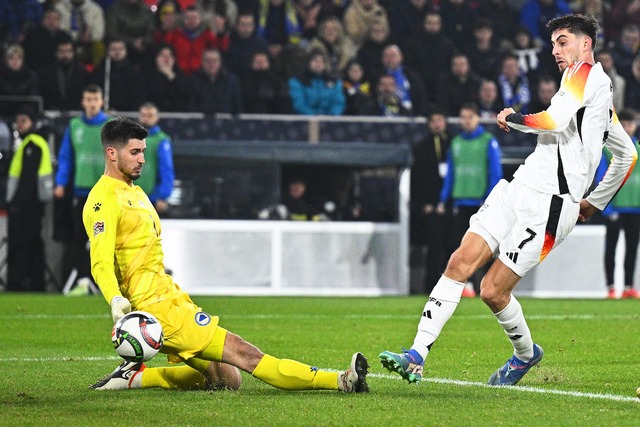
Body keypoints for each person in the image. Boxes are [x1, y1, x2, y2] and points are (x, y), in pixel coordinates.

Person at [379, 14, 637, 387]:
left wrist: (511, 117)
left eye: (563, 42)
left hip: (551, 204)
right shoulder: (594, 97)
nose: (555, 51)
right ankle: (416, 355)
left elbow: (552, 121)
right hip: (519, 187)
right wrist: (595, 202)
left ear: (586, 44)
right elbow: (627, 154)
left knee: (492, 290)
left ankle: (526, 355)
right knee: (460, 260)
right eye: (552, 44)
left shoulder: (586, 76)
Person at [84, 117, 369, 393]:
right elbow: (100, 261)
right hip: (155, 308)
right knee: (245, 354)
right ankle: (341, 381)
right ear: (111, 153)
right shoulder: (102, 200)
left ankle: (135, 379)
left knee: (227, 379)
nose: (142, 159)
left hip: (169, 297)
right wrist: (115, 298)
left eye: (143, 152)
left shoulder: (134, 191)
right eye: (134, 152)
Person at [437, 102, 503, 296]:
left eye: (469, 117)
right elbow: (451, 174)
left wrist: (489, 199)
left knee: (483, 249)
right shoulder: (456, 143)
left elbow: (495, 173)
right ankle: (465, 286)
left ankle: (486, 284)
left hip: (480, 203)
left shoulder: (488, 141)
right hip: (460, 201)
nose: (466, 121)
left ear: (477, 118)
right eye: (463, 117)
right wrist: (443, 199)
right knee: (457, 245)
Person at [54, 84, 110, 292]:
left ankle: (104, 283)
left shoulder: (111, 125)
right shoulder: (75, 125)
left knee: (104, 239)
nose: (92, 104)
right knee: (79, 239)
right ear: (83, 102)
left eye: (95, 99)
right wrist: (61, 182)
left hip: (105, 192)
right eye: (88, 99)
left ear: (101, 101)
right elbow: (66, 157)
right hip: (81, 190)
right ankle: (82, 281)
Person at [5, 109, 53, 292]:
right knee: (34, 246)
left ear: (32, 122)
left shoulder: (32, 144)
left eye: (24, 120)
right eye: (18, 120)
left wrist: (16, 204)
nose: (19, 124)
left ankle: (17, 283)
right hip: (34, 205)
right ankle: (36, 284)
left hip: (27, 206)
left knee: (22, 246)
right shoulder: (32, 142)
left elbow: (27, 179)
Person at [595, 109, 640, 299]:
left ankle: (629, 286)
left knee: (632, 247)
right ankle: (611, 286)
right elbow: (601, 177)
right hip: (614, 206)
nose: (628, 127)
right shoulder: (607, 149)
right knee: (611, 247)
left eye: (630, 123)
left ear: (635, 125)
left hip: (635, 206)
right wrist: (605, 206)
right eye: (625, 123)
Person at [410, 110, 452, 294]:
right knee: (433, 247)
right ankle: (431, 287)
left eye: (440, 120)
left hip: (451, 205)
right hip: (430, 207)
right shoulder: (421, 147)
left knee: (452, 245)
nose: (437, 124)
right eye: (433, 121)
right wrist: (422, 204)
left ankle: (452, 286)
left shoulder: (455, 144)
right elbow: (416, 180)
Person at [137, 103, 175, 216]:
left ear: (157, 118)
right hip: (130, 196)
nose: (146, 118)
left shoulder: (161, 140)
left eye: (150, 115)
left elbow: (166, 169)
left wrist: (163, 196)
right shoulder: (130, 138)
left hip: (151, 197)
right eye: (144, 115)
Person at [37, 36, 88, 111]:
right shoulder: (46, 73)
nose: (65, 55)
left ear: (73, 53)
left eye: (68, 51)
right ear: (56, 53)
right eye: (62, 51)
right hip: (52, 111)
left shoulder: (81, 72)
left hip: (76, 111)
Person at [288, 49, 345, 115]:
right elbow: (299, 104)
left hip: (329, 121)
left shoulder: (335, 82)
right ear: (308, 63)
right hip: (304, 121)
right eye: (315, 61)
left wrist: (330, 118)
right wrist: (315, 117)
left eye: (321, 61)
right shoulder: (297, 81)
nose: (318, 64)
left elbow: (338, 103)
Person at [189, 48, 243, 115]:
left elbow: (237, 105)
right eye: (208, 61)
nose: (211, 64)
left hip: (226, 123)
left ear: (220, 62)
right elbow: (191, 106)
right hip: (200, 122)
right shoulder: (193, 80)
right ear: (202, 62)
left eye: (214, 61)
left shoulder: (231, 81)